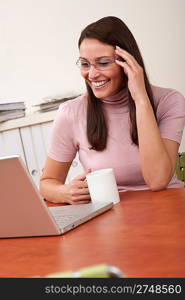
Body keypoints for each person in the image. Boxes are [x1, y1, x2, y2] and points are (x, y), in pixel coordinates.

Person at [40, 16, 185, 204]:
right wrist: (65, 192)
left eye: (103, 63)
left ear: (127, 61)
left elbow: (157, 180)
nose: (92, 74)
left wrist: (140, 99)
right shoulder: (71, 113)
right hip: (112, 218)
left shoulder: (169, 101)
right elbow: (48, 183)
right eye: (85, 64)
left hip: (166, 209)